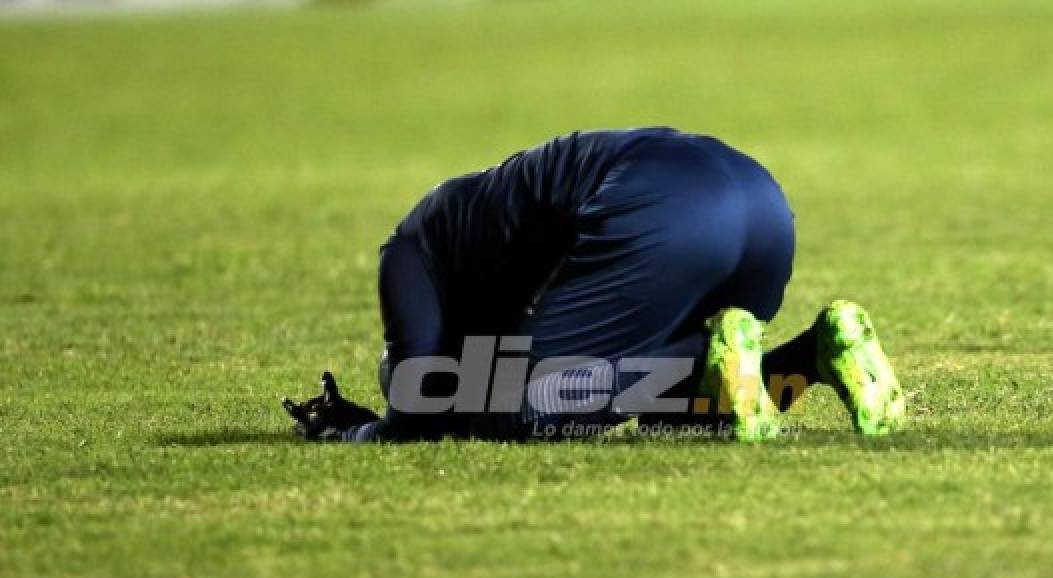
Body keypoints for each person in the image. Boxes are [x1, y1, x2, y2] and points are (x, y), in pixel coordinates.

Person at [283, 127, 905, 443]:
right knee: (681, 413)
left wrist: (346, 428)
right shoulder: (476, 228)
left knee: (517, 410)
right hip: (761, 201)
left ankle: (710, 350)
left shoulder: (409, 253)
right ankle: (820, 351)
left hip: (667, 207)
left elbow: (415, 408)